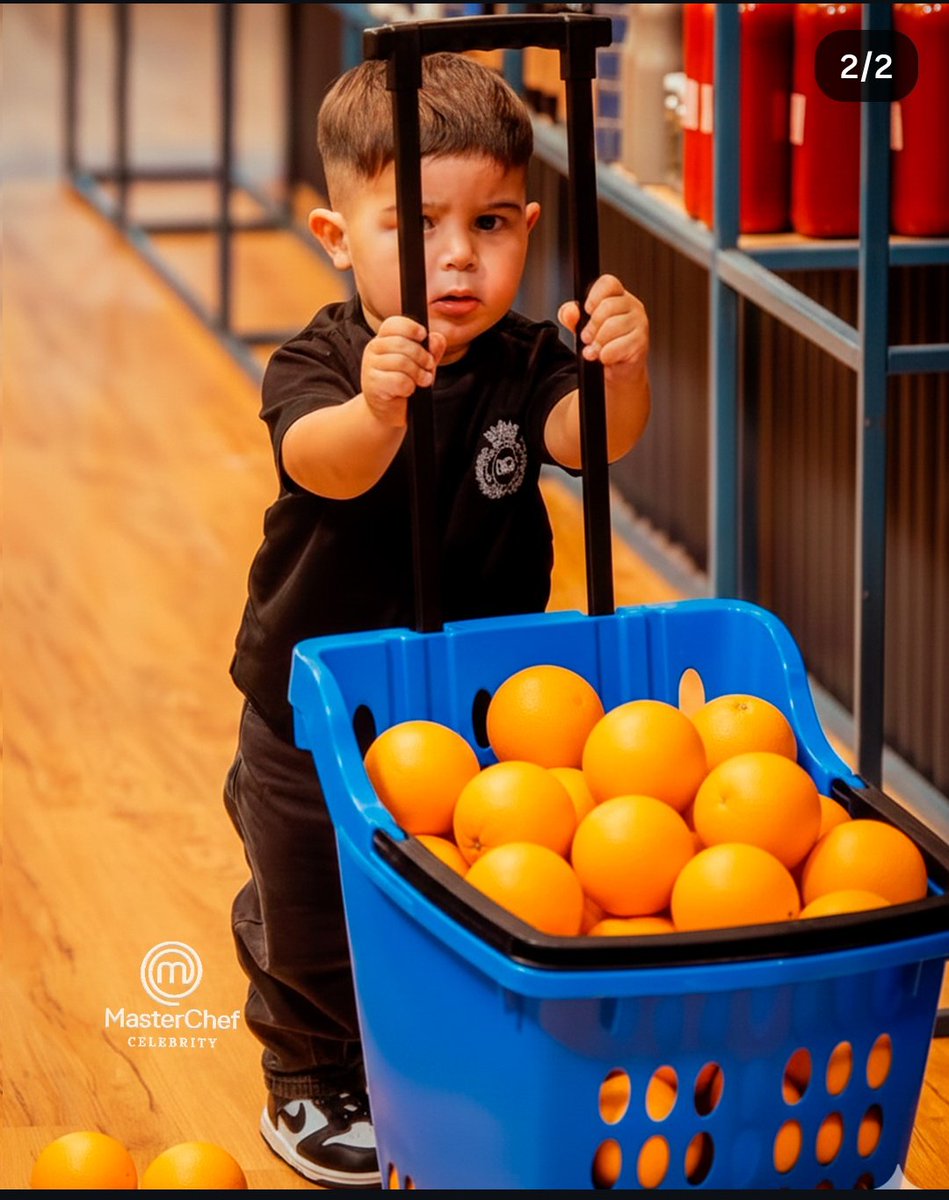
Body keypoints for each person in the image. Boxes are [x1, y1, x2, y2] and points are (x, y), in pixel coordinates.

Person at [224, 51, 651, 1189]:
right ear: (336, 234)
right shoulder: (320, 359)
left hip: (476, 703)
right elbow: (323, 465)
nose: (459, 255)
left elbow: (588, 443)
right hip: (310, 704)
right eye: (416, 222)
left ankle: (440, 1052)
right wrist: (377, 406)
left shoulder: (525, 358)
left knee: (465, 882)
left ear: (530, 226)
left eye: (494, 222)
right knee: (312, 910)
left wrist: (620, 368)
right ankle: (309, 1080)